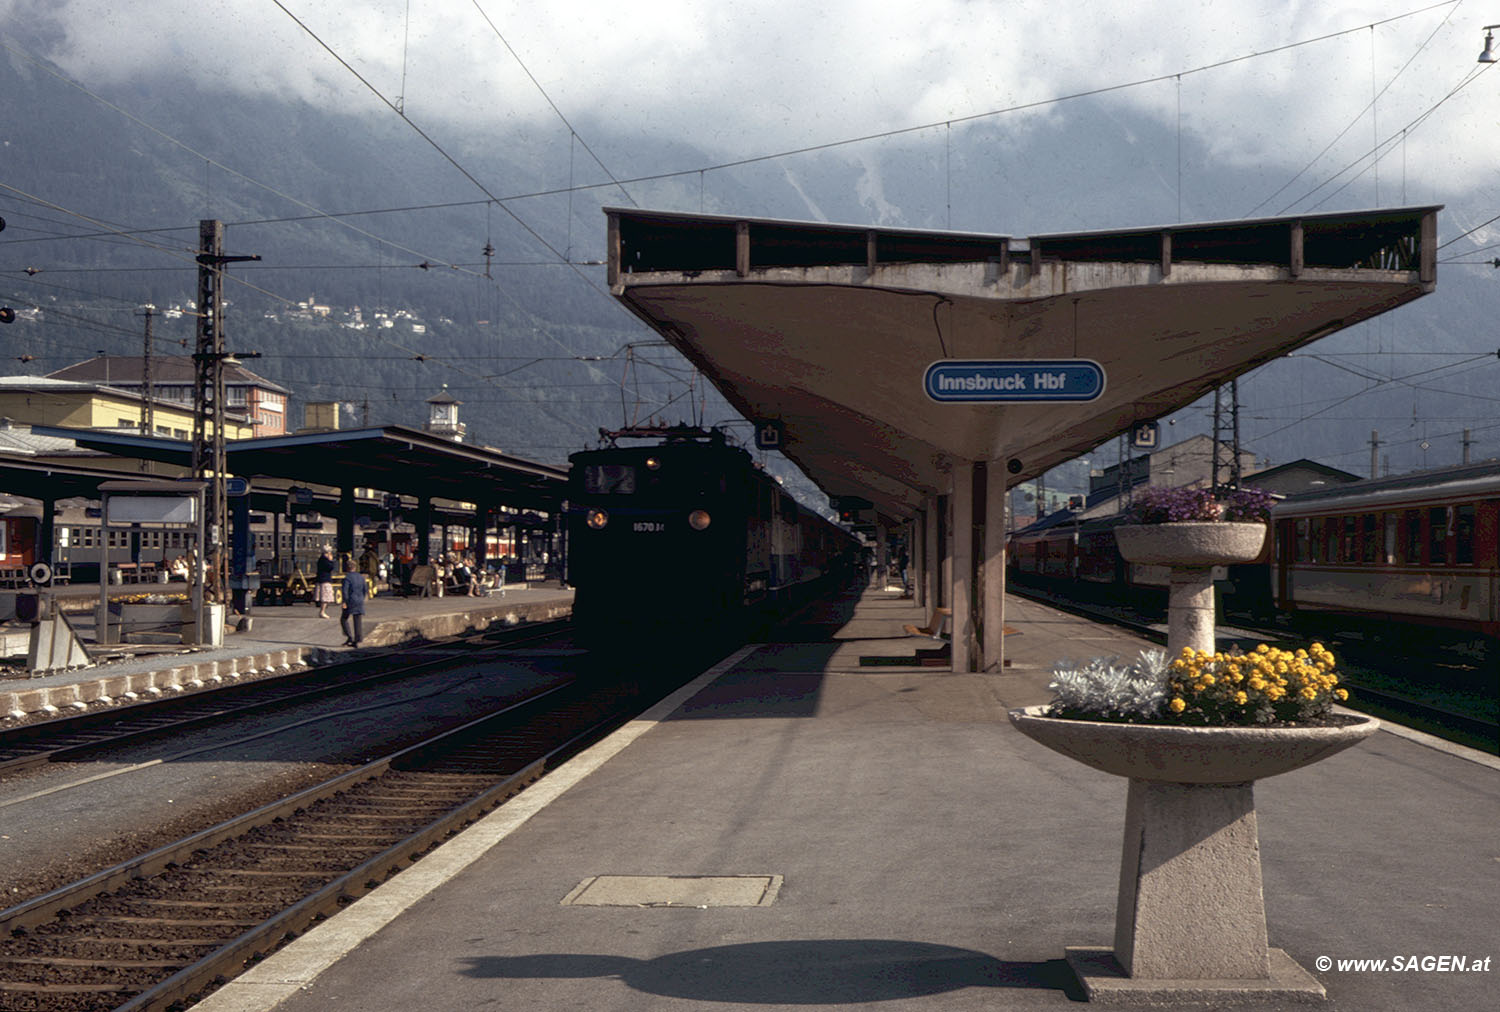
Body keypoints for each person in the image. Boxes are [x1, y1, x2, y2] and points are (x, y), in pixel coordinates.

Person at [340, 558, 368, 647]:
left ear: (348, 568)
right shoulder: (361, 577)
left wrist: (345, 601)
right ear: (355, 567)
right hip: (359, 600)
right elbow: (365, 589)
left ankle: (349, 637)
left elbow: (345, 591)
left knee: (344, 619)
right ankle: (358, 639)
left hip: (350, 600)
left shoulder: (347, 578)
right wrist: (362, 598)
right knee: (357, 619)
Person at [314, 545, 336, 619]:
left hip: (321, 579)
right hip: (325, 580)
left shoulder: (321, 559)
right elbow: (330, 568)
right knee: (325, 597)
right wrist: (331, 561)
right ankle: (322, 612)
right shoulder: (325, 560)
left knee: (324, 597)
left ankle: (322, 611)